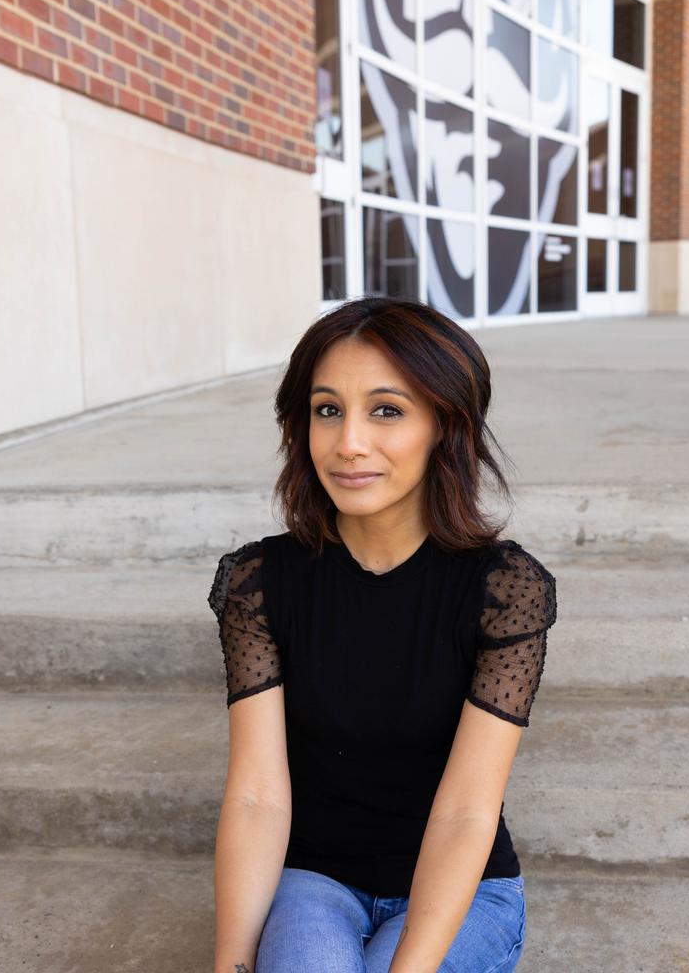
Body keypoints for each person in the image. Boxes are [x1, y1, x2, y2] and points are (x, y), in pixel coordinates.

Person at [207, 296, 558, 973]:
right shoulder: (260, 582)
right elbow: (256, 797)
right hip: (313, 879)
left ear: (444, 425)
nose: (349, 443)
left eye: (387, 411)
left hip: (462, 888)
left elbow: (466, 811)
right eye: (327, 409)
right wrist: (232, 964)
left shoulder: (503, 589)